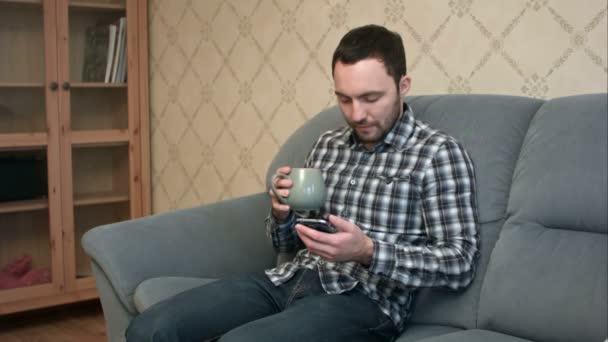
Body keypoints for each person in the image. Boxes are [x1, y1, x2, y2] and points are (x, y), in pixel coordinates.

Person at [126, 24, 479, 342]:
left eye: (371, 98)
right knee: (149, 329)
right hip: (289, 278)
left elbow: (460, 262)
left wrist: (368, 251)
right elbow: (288, 242)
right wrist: (282, 214)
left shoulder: (436, 154)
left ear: (403, 86)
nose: (356, 114)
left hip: (364, 302)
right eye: (344, 99)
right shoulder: (328, 144)